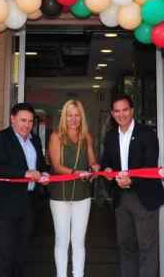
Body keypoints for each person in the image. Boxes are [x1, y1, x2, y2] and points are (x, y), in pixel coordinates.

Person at [99, 94, 164, 277]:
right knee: (125, 245)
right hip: (121, 199)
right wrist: (106, 169)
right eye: (117, 111)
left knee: (147, 246)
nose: (121, 114)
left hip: (143, 196)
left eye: (125, 110)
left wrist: (132, 180)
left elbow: (150, 164)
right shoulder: (111, 136)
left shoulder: (147, 134)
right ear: (112, 114)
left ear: (132, 111)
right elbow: (106, 160)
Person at [0, 102, 50, 277]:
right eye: (23, 120)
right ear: (12, 119)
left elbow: (41, 164)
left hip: (28, 204)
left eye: (30, 121)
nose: (27, 125)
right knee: (5, 255)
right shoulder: (0, 139)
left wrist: (44, 174)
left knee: (22, 255)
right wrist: (25, 173)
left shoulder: (35, 140)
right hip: (4, 206)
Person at [47, 99, 100, 277]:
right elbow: (56, 165)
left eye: (77, 115)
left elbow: (92, 160)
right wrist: (76, 172)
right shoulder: (56, 136)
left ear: (81, 117)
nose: (73, 119)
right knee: (62, 240)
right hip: (59, 196)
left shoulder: (87, 137)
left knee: (78, 242)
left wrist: (95, 168)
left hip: (82, 195)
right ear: (64, 116)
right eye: (70, 115)